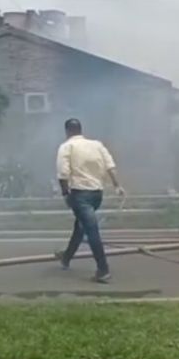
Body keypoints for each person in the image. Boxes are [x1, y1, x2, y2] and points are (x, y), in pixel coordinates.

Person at [55, 118, 125, 283]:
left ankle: (103, 269)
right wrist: (117, 186)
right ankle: (66, 257)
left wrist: (65, 194)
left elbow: (63, 173)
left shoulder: (67, 147)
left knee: (91, 230)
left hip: (80, 194)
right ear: (80, 129)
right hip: (97, 194)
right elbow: (110, 166)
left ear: (67, 131)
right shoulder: (97, 145)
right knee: (80, 226)